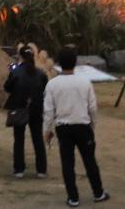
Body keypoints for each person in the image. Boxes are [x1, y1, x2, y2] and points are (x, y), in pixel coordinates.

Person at [44, 48, 110, 207]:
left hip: (63, 128)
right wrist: (92, 124)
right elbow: (93, 107)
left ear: (59, 63)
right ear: (75, 63)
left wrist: (47, 130)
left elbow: (48, 110)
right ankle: (98, 192)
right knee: (89, 161)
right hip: (83, 125)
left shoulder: (53, 84)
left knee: (67, 163)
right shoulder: (84, 82)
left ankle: (73, 197)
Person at [4, 45, 48, 178]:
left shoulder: (16, 71)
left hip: (19, 108)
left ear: (20, 57)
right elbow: (45, 89)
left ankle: (19, 169)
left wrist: (13, 70)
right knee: (38, 139)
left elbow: (7, 87)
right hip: (36, 108)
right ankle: (41, 170)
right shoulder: (41, 73)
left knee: (19, 139)